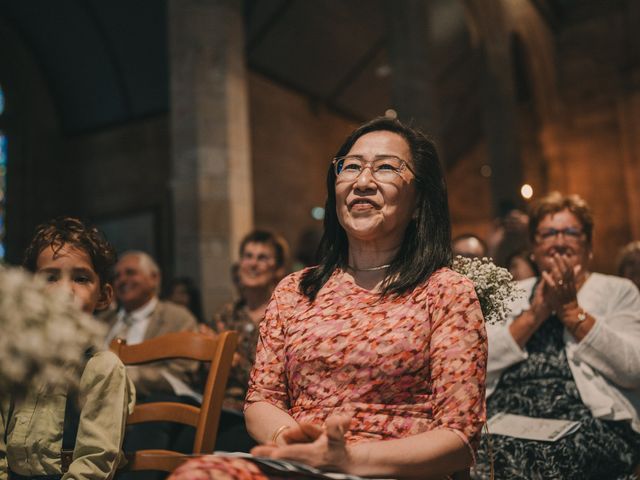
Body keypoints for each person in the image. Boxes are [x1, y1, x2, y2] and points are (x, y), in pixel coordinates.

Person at [170, 116, 487, 480]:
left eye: (385, 167)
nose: (362, 182)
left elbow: (460, 436)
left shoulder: (445, 290)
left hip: (392, 471)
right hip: (300, 467)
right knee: (198, 473)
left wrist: (347, 458)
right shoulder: (295, 289)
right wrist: (294, 441)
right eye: (350, 167)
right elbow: (261, 399)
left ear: (418, 203)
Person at [474, 192, 640, 479]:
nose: (559, 242)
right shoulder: (514, 294)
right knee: (475, 453)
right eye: (548, 233)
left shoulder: (618, 291)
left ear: (588, 245)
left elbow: (632, 370)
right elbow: (478, 365)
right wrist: (534, 315)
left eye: (570, 232)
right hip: (508, 414)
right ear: (534, 249)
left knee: (540, 459)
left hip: (587, 418)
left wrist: (571, 311)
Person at [0, 216, 135, 480]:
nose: (64, 291)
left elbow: (94, 465)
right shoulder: (14, 364)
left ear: (104, 296)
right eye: (50, 278)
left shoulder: (102, 368)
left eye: (81, 278)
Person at [103, 251, 199, 471]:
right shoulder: (104, 322)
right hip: (97, 407)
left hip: (149, 404)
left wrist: (127, 377)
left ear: (154, 278)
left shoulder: (177, 317)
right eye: (117, 276)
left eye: (130, 273)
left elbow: (181, 372)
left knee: (155, 410)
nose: (122, 280)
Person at [206, 230, 289, 452]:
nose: (253, 264)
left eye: (263, 258)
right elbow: (203, 377)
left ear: (278, 269)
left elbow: (281, 380)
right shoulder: (225, 315)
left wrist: (234, 362)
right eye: (248, 256)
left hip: (259, 415)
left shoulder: (284, 312)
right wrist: (204, 354)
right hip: (219, 409)